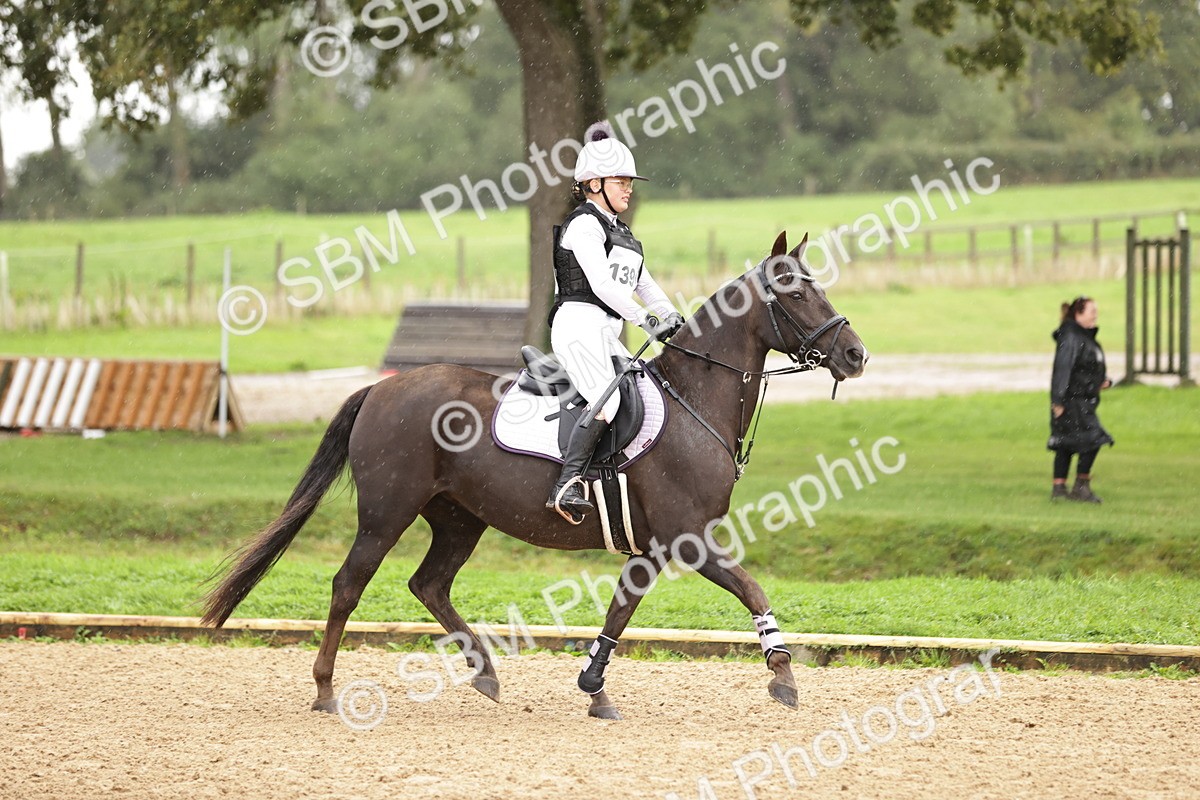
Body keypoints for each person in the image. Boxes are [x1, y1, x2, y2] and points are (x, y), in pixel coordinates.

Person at [545, 121, 684, 520]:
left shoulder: (621, 232)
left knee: (646, 392)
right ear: (593, 185)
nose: (628, 188)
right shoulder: (585, 225)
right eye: (620, 181)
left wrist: (673, 316)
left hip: (605, 331)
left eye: (629, 182)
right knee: (609, 401)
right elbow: (604, 285)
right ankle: (566, 485)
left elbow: (646, 283)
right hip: (576, 326)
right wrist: (645, 320)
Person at [1048, 296, 1114, 503]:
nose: (1096, 314)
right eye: (1092, 310)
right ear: (1078, 314)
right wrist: (1057, 401)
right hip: (1071, 400)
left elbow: (1084, 368)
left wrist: (1100, 381)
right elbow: (1063, 368)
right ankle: (1080, 486)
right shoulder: (1071, 337)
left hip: (1081, 398)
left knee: (1066, 442)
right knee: (1094, 439)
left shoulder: (1082, 336)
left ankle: (1059, 489)